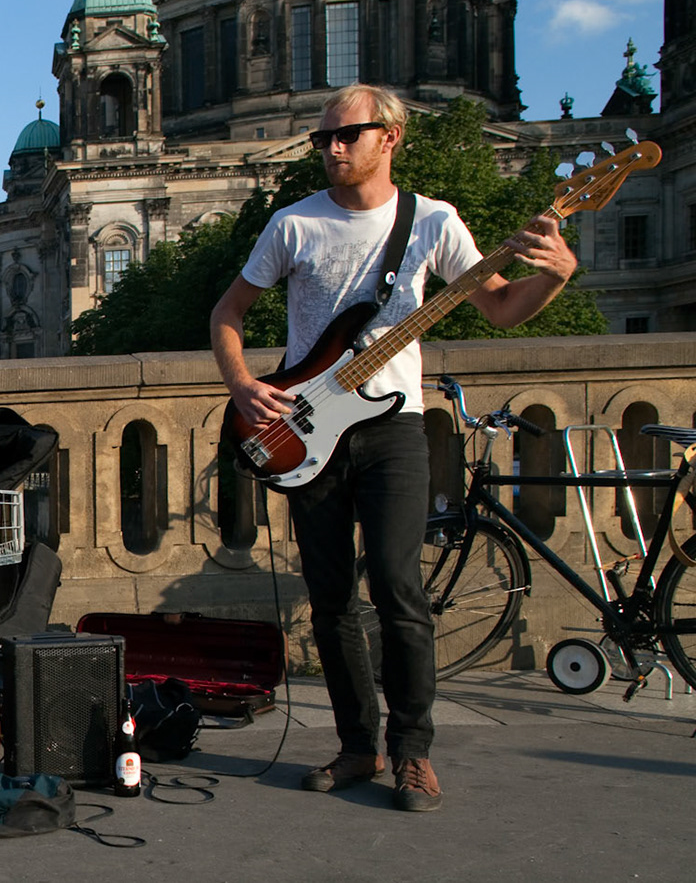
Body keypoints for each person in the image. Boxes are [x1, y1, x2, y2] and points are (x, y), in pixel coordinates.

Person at [209, 83, 578, 813]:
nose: (333, 149)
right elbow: (228, 312)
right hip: (309, 430)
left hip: (393, 429)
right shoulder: (293, 224)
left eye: (347, 135)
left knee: (401, 593)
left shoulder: (434, 222)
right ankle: (357, 746)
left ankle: (413, 754)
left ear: (392, 138)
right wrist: (245, 383)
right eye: (323, 139)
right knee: (331, 601)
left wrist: (556, 276)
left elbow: (501, 306)